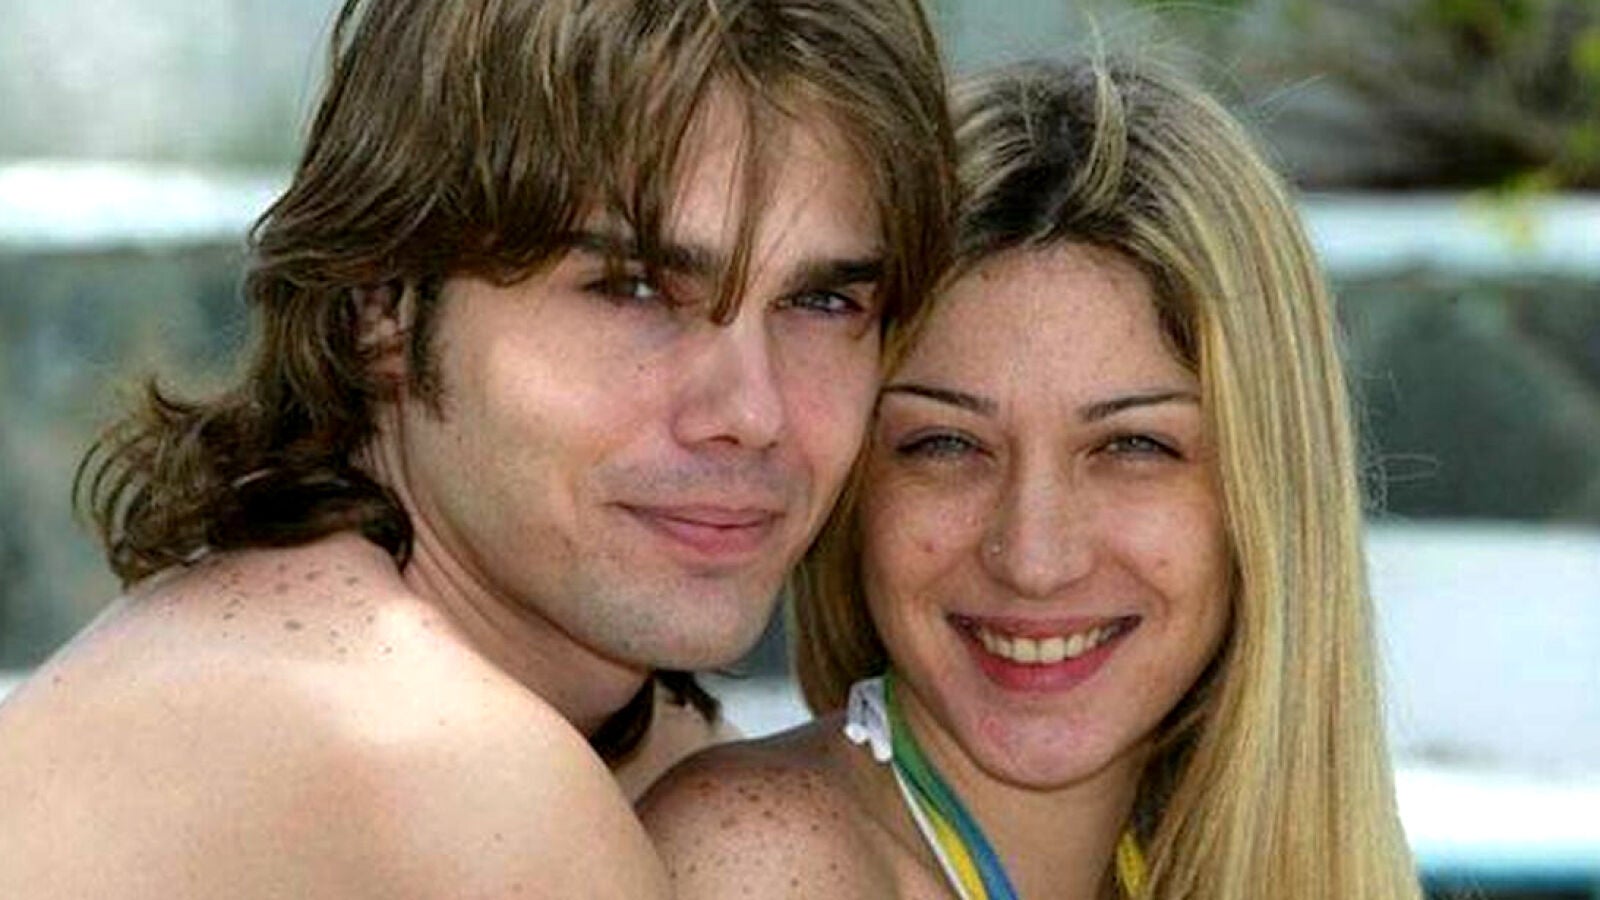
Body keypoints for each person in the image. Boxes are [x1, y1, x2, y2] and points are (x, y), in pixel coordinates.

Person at [0, 0, 955, 896]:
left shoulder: (610, 733)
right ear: (383, 304)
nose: (751, 411)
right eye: (633, 291)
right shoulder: (441, 772)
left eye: (822, 301)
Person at [640, 56, 1423, 900]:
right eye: (946, 444)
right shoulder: (762, 863)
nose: (1034, 559)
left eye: (1132, 447)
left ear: (1265, 494)